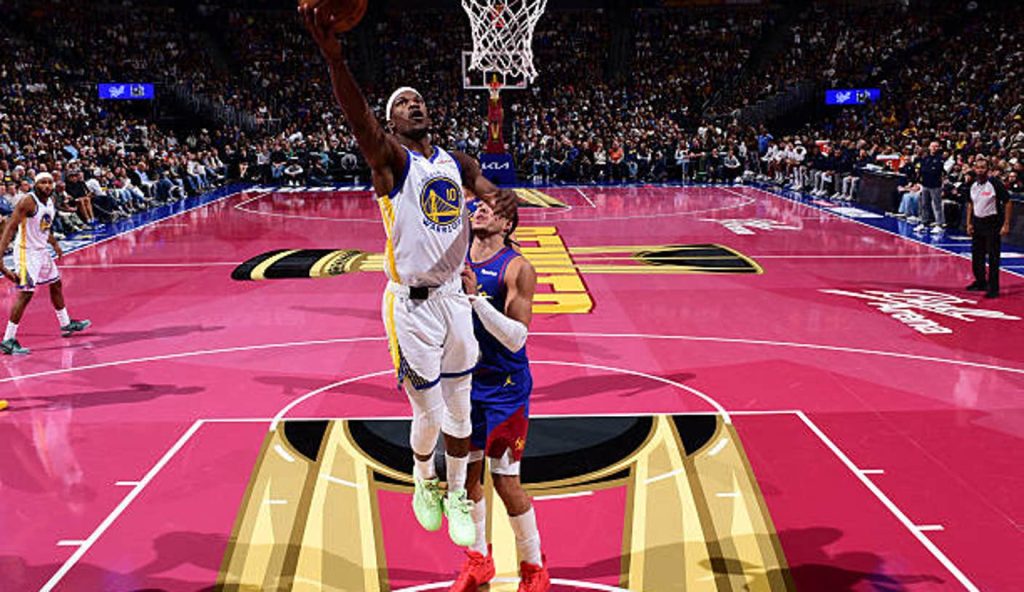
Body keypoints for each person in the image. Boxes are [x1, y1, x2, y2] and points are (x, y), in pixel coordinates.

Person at [301, 4, 517, 547]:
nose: (414, 104)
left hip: (453, 297)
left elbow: (490, 194)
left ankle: (458, 495)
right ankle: (423, 478)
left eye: (418, 100)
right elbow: (359, 120)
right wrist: (336, 61)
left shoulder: (455, 162)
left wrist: (501, 200)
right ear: (391, 122)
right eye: (402, 103)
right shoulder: (391, 161)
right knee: (429, 411)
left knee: (462, 410)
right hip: (411, 304)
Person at [453, 198, 549, 591]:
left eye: (489, 209)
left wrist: (475, 299)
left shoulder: (517, 267)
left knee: (505, 481)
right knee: (466, 478)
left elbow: (516, 338)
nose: (479, 211)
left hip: (504, 388)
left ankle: (534, 567)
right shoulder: (455, 259)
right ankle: (478, 560)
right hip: (463, 383)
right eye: (477, 207)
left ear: (507, 224)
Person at [0, 173, 91, 355]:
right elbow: (10, 227)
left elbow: (44, 227)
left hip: (41, 251)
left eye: (50, 182)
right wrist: (0, 257)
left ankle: (65, 323)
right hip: (26, 252)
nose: (47, 185)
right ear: (36, 184)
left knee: (56, 284)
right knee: (26, 293)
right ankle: (8, 340)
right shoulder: (28, 201)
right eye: (43, 182)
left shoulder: (50, 201)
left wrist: (54, 244)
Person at [965, 156, 1013, 298]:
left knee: (993, 256)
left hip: (992, 223)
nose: (980, 170)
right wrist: (969, 223)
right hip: (977, 223)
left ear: (988, 169)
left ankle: (993, 288)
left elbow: (1008, 202)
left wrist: (1006, 223)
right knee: (976, 255)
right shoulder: (973, 185)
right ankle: (980, 282)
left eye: (983, 168)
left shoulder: (995, 183)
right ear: (974, 169)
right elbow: (970, 204)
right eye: (978, 168)